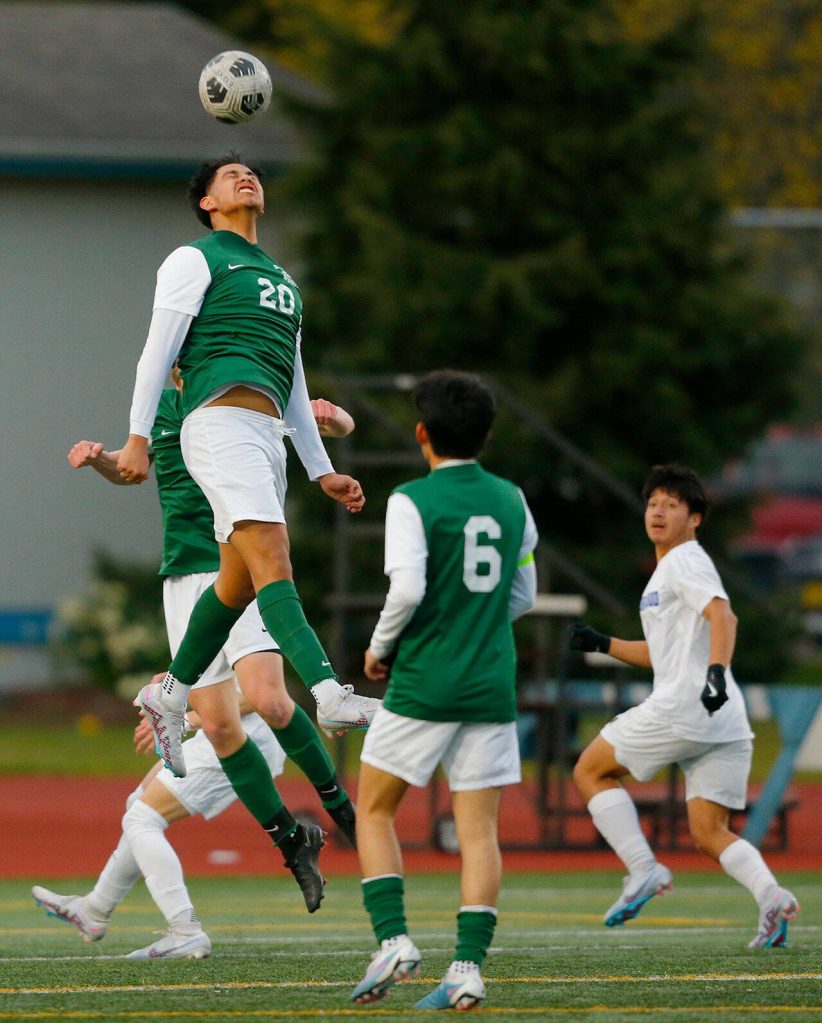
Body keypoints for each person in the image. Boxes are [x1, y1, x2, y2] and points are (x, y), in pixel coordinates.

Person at [112, 151, 380, 860]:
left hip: (262, 436)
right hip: (218, 426)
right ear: (205, 203)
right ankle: (329, 692)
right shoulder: (194, 259)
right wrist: (137, 438)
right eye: (227, 176)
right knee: (273, 561)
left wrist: (320, 468)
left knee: (237, 580)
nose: (245, 177)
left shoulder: (284, 282)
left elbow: (292, 385)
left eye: (250, 172)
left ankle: (170, 694)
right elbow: (153, 356)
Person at [64, 383, 361, 918]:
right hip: (182, 576)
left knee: (269, 699)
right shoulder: (159, 403)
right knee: (220, 726)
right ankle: (293, 842)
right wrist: (101, 460)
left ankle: (341, 805)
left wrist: (330, 415)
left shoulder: (239, 383)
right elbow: (132, 470)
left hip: (241, 562)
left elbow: (335, 426)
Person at [349, 370, 538, 1011]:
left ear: (422, 434)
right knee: (479, 831)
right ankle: (467, 968)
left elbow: (406, 589)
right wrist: (478, 624)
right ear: (485, 433)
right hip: (490, 684)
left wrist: (378, 648)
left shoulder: (411, 499)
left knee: (373, 809)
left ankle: (395, 940)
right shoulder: (513, 498)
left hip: (426, 681)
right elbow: (524, 594)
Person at [570, 463, 799, 949]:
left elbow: (724, 614)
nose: (658, 511)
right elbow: (664, 653)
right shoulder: (668, 571)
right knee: (709, 831)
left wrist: (716, 669)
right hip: (724, 718)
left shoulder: (684, 560)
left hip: (686, 706)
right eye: (654, 503)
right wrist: (603, 643)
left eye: (672, 505)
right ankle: (772, 897)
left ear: (694, 518)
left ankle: (643, 869)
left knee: (590, 771)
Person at [32, 695, 284, 959]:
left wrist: (181, 721)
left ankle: (185, 931)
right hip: (221, 733)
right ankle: (94, 909)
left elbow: (257, 693)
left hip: (238, 738)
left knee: (142, 819)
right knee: (137, 805)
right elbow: (218, 675)